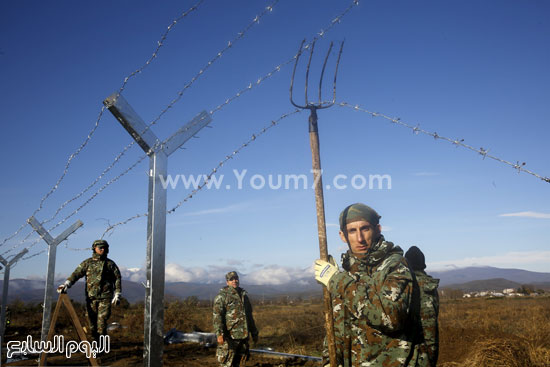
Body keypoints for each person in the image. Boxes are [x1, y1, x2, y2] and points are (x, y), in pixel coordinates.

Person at [314, 203, 428, 367]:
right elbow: (336, 328)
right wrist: (328, 362)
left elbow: (390, 317)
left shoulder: (395, 266)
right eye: (352, 231)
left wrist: (337, 281)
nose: (359, 238)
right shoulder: (346, 273)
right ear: (342, 236)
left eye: (365, 228)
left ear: (378, 229)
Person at [57, 239, 122, 342]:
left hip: (105, 298)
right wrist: (67, 283)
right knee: (91, 324)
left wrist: (117, 293)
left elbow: (117, 278)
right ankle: (93, 346)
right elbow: (76, 274)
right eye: (100, 247)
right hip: (91, 298)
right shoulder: (87, 263)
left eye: (104, 248)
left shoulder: (110, 264)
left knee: (101, 323)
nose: (102, 249)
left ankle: (101, 347)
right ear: (94, 249)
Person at [213, 271, 258, 367]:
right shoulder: (222, 296)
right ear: (227, 282)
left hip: (243, 336)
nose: (234, 281)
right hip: (230, 336)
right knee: (226, 363)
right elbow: (217, 316)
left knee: (240, 362)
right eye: (231, 279)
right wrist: (219, 333)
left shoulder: (244, 296)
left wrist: (254, 332)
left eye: (236, 279)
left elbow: (249, 316)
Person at [405, 246, 440, 367]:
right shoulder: (428, 287)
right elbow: (430, 327)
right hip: (422, 356)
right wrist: (432, 357)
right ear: (422, 264)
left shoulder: (401, 284)